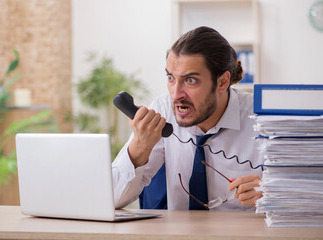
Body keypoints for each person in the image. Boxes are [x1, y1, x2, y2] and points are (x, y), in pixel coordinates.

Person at [112, 26, 263, 211]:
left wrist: (272, 194)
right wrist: (139, 147)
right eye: (170, 78)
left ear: (222, 82)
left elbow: (302, 197)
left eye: (190, 80)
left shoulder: (262, 119)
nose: (176, 94)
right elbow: (110, 200)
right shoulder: (162, 110)